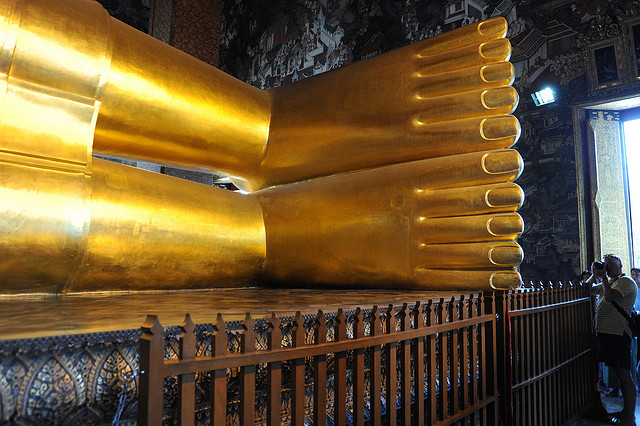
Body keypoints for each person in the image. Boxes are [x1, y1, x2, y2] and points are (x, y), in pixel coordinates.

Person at [591, 254, 638, 425]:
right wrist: (594, 273)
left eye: (611, 263)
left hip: (618, 333)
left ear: (621, 265)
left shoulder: (626, 282)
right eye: (606, 263)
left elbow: (610, 297)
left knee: (624, 374)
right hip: (607, 334)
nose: (608, 266)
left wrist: (603, 278)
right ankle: (626, 412)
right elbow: (587, 289)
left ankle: (630, 417)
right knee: (619, 373)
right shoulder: (610, 282)